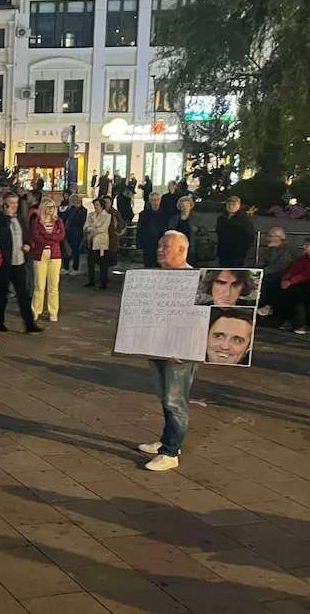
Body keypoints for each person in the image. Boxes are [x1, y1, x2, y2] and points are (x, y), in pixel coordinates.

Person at [137, 231, 198, 472]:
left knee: (175, 400)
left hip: (180, 351)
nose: (161, 250)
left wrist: (185, 347)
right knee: (165, 397)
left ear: (182, 250)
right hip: (158, 345)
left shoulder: (193, 279)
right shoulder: (157, 276)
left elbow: (199, 321)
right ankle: (167, 440)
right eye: (160, 245)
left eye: (167, 247)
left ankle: (171, 452)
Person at [0, 193, 41, 334]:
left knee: (23, 294)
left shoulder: (20, 219)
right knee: (1, 293)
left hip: (19, 262)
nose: (14, 205)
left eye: (16, 203)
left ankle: (30, 324)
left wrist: (27, 245)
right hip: (4, 263)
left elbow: (26, 235)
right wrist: (6, 216)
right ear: (4, 204)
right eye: (11, 203)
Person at [270, 238, 310, 333]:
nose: (304, 247)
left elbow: (308, 275)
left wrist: (291, 281)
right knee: (281, 289)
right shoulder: (302, 258)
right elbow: (293, 270)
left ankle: (307, 325)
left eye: (307, 245)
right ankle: (283, 318)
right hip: (300, 282)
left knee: (304, 294)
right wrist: (285, 279)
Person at [30, 198, 65, 322]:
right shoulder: (36, 222)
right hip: (40, 255)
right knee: (39, 285)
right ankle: (36, 310)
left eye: (53, 207)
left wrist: (47, 236)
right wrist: (51, 239)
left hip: (55, 255)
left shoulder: (58, 221)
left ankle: (53, 311)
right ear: (43, 208)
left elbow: (61, 236)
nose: (51, 209)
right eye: (48, 207)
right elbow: (36, 237)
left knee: (53, 285)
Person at [254, 227, 296, 309]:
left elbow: (281, 265)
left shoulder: (288, 249)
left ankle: (266, 306)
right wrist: (256, 270)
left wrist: (262, 272)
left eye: (270, 236)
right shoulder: (270, 248)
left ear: (279, 238)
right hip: (271, 272)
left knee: (268, 280)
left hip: (284, 274)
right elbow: (262, 261)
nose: (268, 238)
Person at [215, 196, 254, 267]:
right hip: (223, 251)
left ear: (239, 205)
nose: (231, 206)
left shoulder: (244, 220)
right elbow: (218, 232)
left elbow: (250, 236)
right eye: (229, 204)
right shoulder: (221, 218)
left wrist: (242, 249)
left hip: (238, 253)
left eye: (233, 204)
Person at [136, 193, 164, 268]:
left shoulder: (165, 214)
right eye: (153, 200)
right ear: (150, 201)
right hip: (148, 245)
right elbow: (140, 231)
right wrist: (139, 246)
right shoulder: (143, 214)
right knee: (148, 267)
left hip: (161, 245)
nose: (155, 202)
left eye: (157, 200)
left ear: (160, 201)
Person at [61, 194, 87, 275]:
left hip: (76, 232)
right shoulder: (69, 209)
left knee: (75, 250)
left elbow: (80, 221)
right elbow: (64, 218)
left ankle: (75, 268)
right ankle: (66, 267)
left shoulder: (83, 210)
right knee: (65, 248)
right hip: (67, 231)